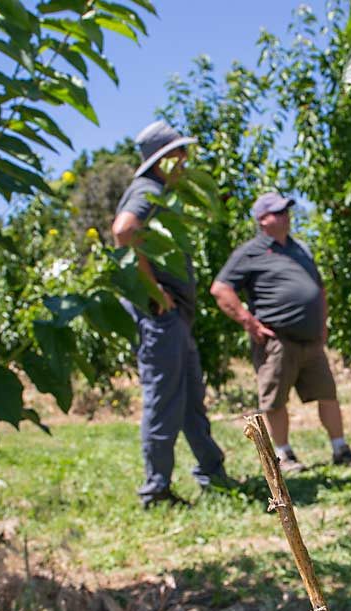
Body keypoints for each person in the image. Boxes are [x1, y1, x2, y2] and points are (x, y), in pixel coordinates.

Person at [112, 120, 234, 509]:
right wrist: (153, 288)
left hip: (174, 317)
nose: (185, 162)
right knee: (165, 401)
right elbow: (123, 231)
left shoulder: (162, 193)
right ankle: (157, 490)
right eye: (179, 154)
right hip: (160, 318)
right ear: (162, 160)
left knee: (190, 399)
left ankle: (212, 474)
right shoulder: (148, 190)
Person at [210, 192, 351, 473]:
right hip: (277, 340)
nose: (286, 216)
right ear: (262, 220)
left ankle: (340, 448)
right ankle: (284, 455)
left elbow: (319, 289)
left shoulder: (300, 248)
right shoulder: (251, 252)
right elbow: (220, 289)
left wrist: (323, 323)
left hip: (311, 341)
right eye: (278, 212)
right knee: (275, 400)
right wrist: (249, 322)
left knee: (327, 394)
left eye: (286, 211)